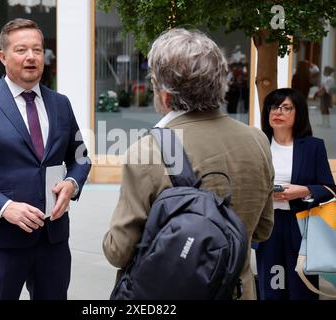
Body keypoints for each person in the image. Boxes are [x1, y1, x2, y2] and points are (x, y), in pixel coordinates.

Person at [102, 28, 275, 300]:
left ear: (166, 96)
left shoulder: (147, 151)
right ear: (220, 83)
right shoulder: (258, 140)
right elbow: (263, 230)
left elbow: (118, 251)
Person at [0, 19, 91, 300]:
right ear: (3, 56)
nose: (31, 57)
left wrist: (72, 182)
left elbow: (80, 157)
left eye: (37, 50)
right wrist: (5, 207)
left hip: (53, 240)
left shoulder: (60, 103)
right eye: (21, 50)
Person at [256, 88, 336, 300]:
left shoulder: (313, 147)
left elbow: (329, 189)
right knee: (272, 289)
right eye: (274, 107)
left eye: (286, 108)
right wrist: (265, 193)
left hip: (301, 225)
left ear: (298, 113)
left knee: (302, 290)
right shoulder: (258, 144)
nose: (278, 112)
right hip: (268, 225)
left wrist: (304, 190)